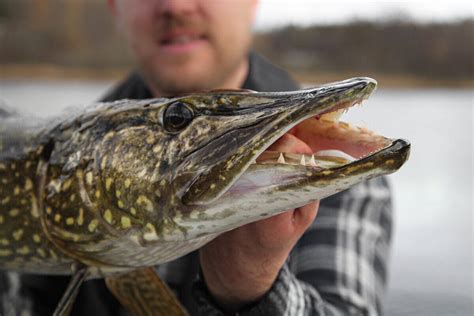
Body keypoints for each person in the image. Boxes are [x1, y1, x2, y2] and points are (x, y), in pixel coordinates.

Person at [0, 0, 393, 315]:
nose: (175, 5)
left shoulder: (335, 165)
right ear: (115, 7)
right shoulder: (77, 142)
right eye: (177, 120)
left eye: (179, 118)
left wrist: (249, 292)